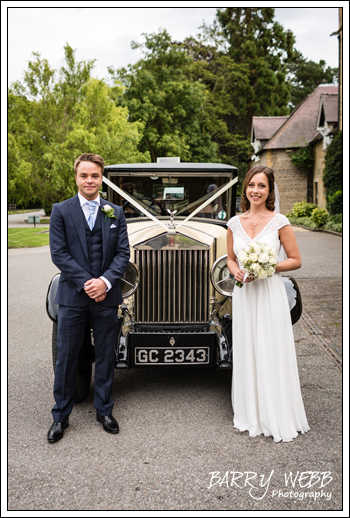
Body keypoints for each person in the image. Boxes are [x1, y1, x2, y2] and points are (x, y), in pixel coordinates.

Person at [47, 153, 130, 443]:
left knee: (106, 355)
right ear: (76, 178)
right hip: (72, 296)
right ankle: (60, 416)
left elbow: (123, 254)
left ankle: (104, 410)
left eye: (94, 175)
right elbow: (59, 253)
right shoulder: (61, 210)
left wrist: (105, 281)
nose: (89, 180)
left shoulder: (115, 212)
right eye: (84, 175)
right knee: (67, 356)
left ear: (101, 177)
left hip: (106, 297)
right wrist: (87, 283)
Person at [227, 166, 309, 442]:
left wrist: (268, 266)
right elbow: (230, 258)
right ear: (245, 189)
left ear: (270, 191)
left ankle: (276, 413)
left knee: (269, 347)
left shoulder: (279, 222)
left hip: (269, 292)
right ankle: (250, 412)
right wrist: (235, 270)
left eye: (262, 186)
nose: (256, 191)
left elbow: (295, 260)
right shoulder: (234, 223)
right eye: (252, 185)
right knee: (248, 348)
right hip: (245, 295)